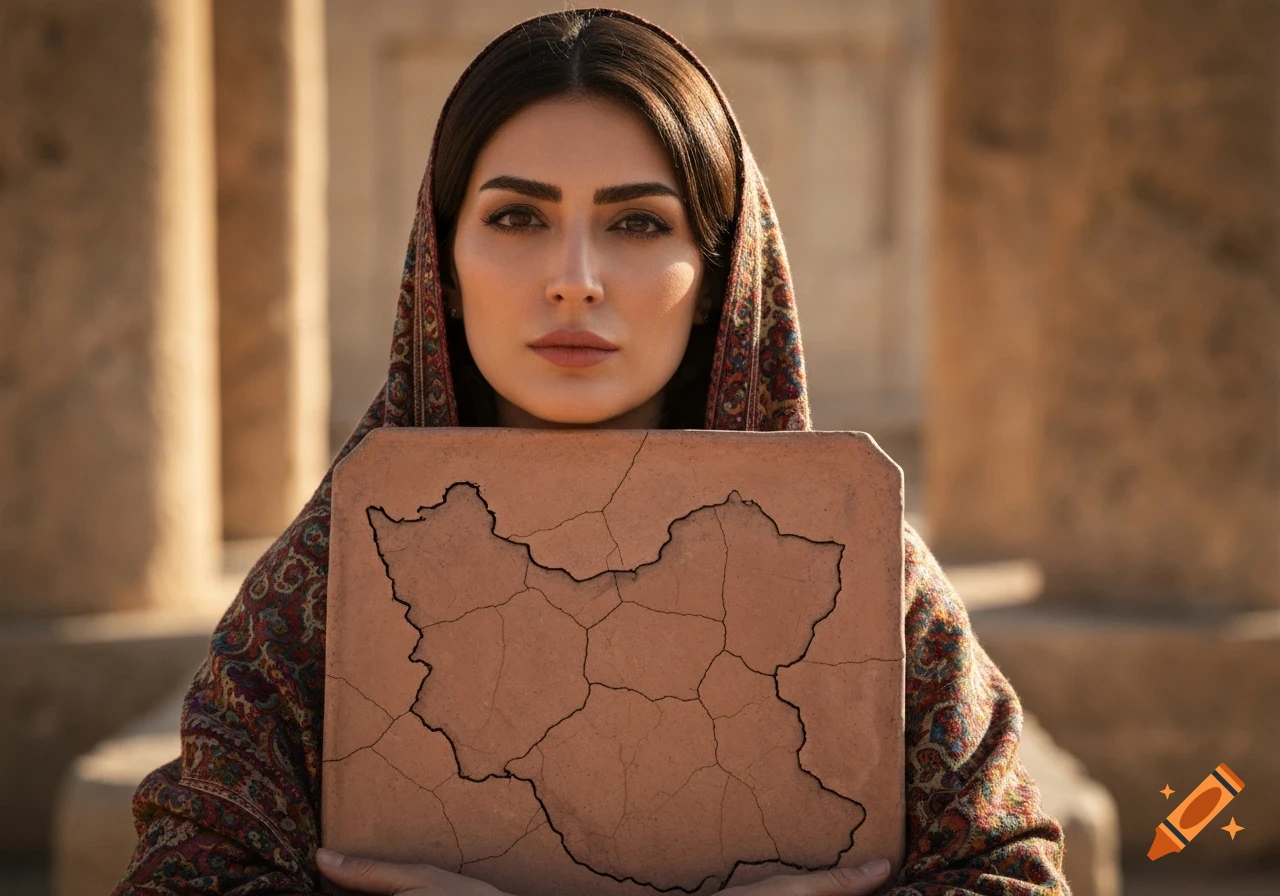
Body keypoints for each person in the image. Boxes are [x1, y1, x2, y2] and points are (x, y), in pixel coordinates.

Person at [113, 8, 1068, 896]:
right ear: (443, 266)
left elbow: (1010, 871)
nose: (574, 281)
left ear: (718, 276)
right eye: (518, 218)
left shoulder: (858, 577)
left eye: (638, 224)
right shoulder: (324, 585)